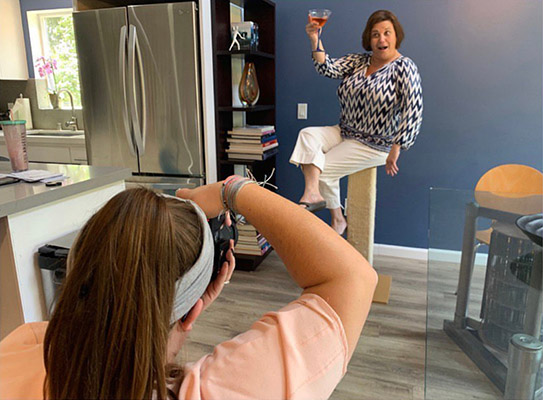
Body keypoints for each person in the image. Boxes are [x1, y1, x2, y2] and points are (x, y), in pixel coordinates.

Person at [0, 176, 378, 400]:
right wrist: (233, 190)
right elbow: (352, 278)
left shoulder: (25, 343)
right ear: (193, 309)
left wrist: (179, 307)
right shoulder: (216, 390)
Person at [291, 9, 423, 235]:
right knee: (307, 135)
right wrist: (315, 39)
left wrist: (397, 148)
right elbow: (327, 68)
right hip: (346, 131)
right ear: (369, 39)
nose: (381, 39)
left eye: (387, 33)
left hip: (375, 143)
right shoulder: (359, 61)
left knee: (321, 169)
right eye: (375, 34)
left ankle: (337, 218)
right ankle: (313, 193)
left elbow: (413, 109)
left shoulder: (405, 67)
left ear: (395, 36)